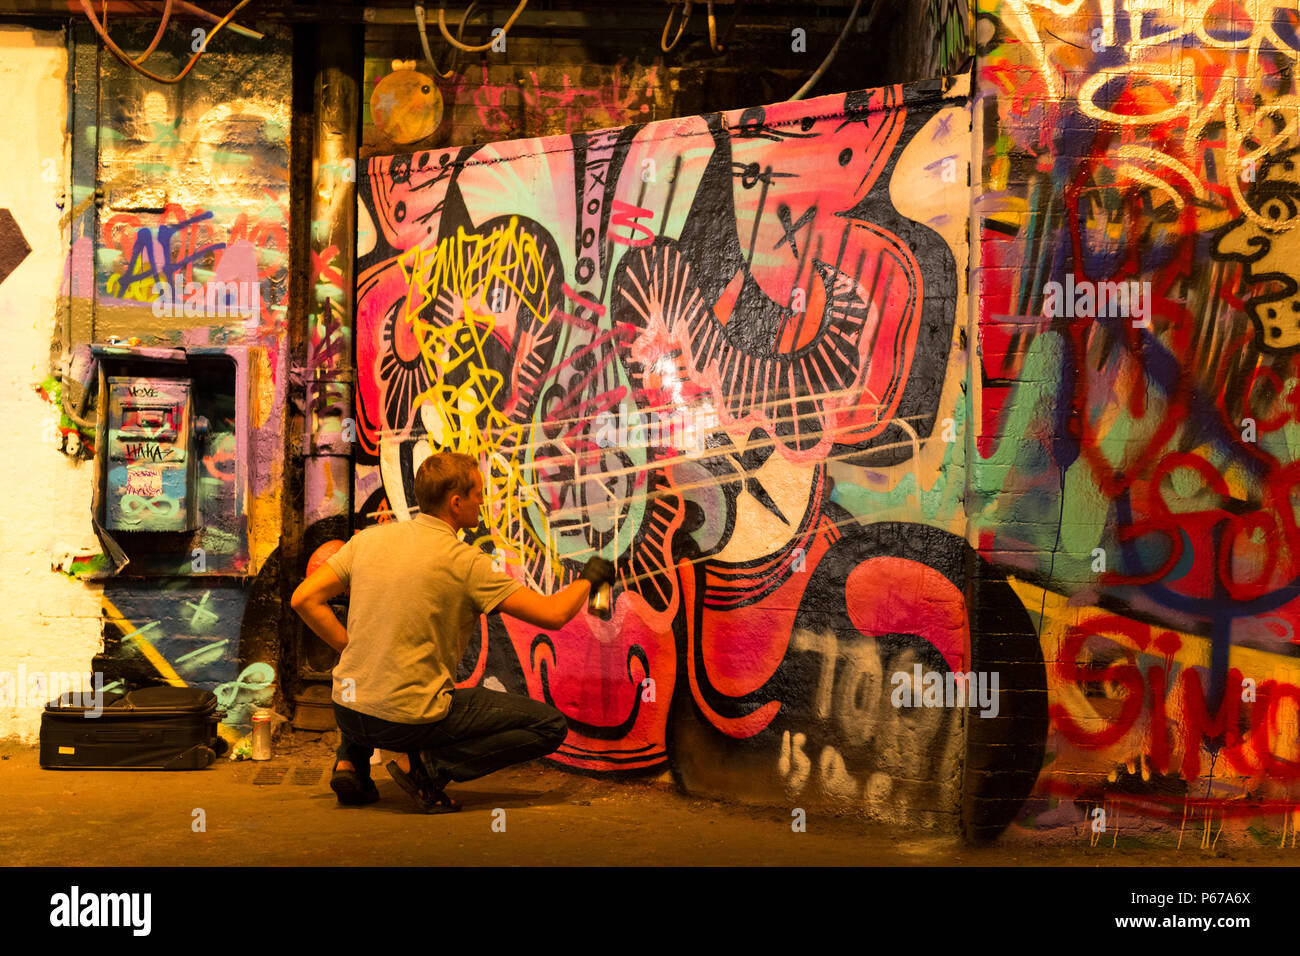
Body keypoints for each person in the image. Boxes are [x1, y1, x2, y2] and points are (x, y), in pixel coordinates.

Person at [290, 451, 615, 812]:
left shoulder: (368, 541)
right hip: (406, 722)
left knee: (374, 673)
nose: (482, 501)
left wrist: (346, 645)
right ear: (456, 502)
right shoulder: (466, 563)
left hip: (348, 711)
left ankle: (350, 763)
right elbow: (553, 615)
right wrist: (589, 578)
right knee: (549, 726)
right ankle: (431, 769)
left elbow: (304, 598)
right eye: (478, 494)